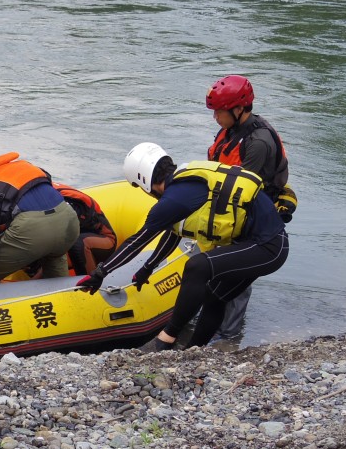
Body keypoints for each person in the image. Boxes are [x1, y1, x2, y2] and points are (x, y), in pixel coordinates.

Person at [76, 143, 289, 351]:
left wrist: (100, 273)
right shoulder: (186, 180)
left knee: (197, 266)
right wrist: (147, 268)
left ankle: (165, 339)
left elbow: (137, 241)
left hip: (267, 246)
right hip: (268, 244)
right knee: (213, 296)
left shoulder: (174, 199)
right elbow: (174, 233)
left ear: (144, 182)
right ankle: (194, 351)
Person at [205, 75, 294, 339]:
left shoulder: (257, 143)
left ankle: (229, 338)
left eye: (219, 112)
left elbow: (242, 189)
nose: (215, 118)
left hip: (251, 215)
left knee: (236, 277)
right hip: (230, 207)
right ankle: (216, 323)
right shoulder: (231, 130)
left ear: (239, 109)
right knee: (216, 270)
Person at [0, 152, 80, 287]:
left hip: (34, 228)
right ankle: (63, 299)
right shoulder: (18, 170)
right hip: (69, 219)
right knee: (54, 265)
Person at [53, 182, 117, 275]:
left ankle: (90, 283)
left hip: (104, 241)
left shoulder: (64, 202)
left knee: (78, 243)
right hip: (75, 238)